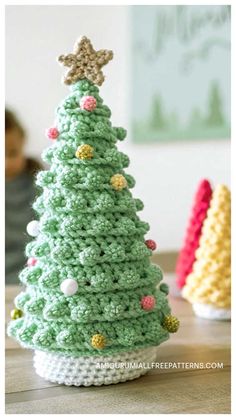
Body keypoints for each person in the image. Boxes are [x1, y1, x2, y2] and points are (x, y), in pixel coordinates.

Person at [5, 108, 42, 284]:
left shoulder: (40, 186)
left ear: (23, 143)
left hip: (34, 279)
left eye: (11, 153)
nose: (5, 164)